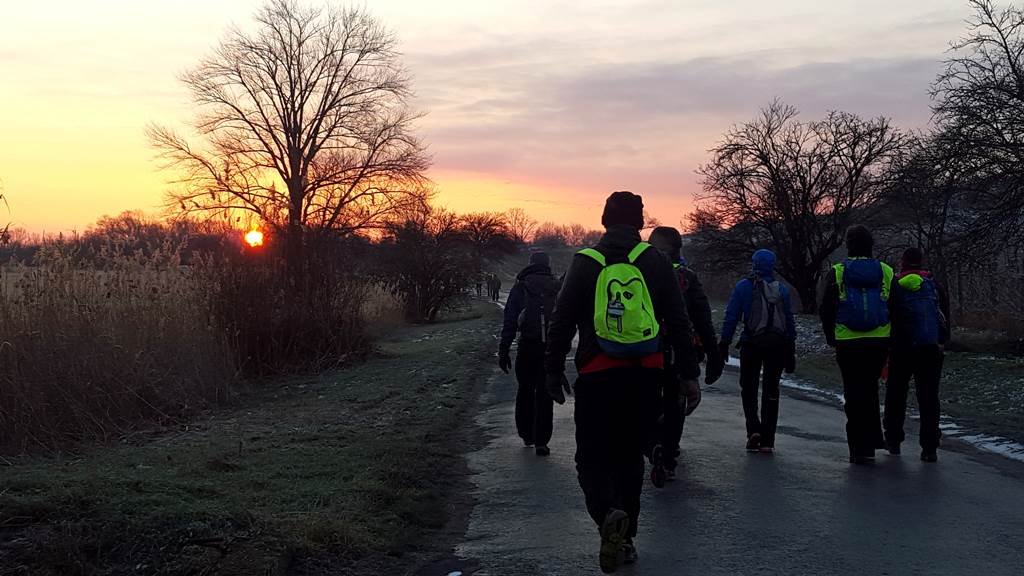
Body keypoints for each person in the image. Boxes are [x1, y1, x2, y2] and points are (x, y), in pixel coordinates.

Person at [545, 191, 700, 573]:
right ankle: (627, 538)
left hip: (598, 374)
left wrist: (552, 370)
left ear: (603, 219)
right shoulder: (655, 261)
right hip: (646, 372)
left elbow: (561, 319)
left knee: (592, 457)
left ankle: (607, 514)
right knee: (630, 456)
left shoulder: (585, 263)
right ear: (639, 222)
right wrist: (689, 374)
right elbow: (679, 320)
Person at [647, 226, 723, 482]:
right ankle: (668, 455)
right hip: (680, 351)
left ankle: (653, 444)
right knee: (675, 403)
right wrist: (713, 354)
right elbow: (703, 319)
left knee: (648, 400)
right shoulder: (688, 277)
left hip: (646, 350)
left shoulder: (641, 273)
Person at [820, 225, 893, 464]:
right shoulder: (885, 271)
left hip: (847, 340)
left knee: (853, 391)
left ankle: (857, 447)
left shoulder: (838, 272)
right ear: (871, 245)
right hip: (879, 339)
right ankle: (873, 440)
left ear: (849, 245)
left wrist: (831, 336)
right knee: (870, 387)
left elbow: (826, 308)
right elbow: (896, 307)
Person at [718, 249, 797, 454]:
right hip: (778, 345)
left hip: (751, 344)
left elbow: (731, 316)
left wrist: (724, 342)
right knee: (772, 389)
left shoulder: (744, 287)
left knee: (749, 387)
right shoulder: (783, 290)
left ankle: (753, 429)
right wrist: (791, 349)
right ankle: (768, 440)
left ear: (754, 264)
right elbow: (789, 321)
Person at [884, 247, 950, 462]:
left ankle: (894, 440)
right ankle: (929, 447)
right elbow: (945, 320)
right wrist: (941, 342)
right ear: (921, 262)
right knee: (929, 397)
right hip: (930, 349)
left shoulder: (896, 285)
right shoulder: (934, 285)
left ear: (902, 262)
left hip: (901, 348)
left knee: (896, 394)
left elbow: (889, 316)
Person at [498, 252, 561, 456]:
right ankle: (542, 440)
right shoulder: (555, 286)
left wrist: (504, 349)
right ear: (548, 265)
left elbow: (510, 320)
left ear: (531, 264)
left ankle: (526, 433)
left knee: (525, 389)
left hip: (527, 346)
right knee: (545, 393)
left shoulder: (521, 287)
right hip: (549, 348)